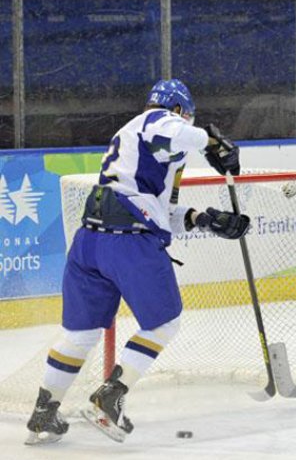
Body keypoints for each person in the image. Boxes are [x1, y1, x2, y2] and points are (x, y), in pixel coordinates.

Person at [25, 79, 251, 445]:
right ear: (177, 109)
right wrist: (212, 140)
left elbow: (164, 211)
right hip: (128, 242)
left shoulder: (139, 144)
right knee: (164, 322)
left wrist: (207, 219)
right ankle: (109, 397)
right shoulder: (155, 120)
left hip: (90, 242)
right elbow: (183, 134)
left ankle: (44, 412)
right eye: (186, 116)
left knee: (79, 335)